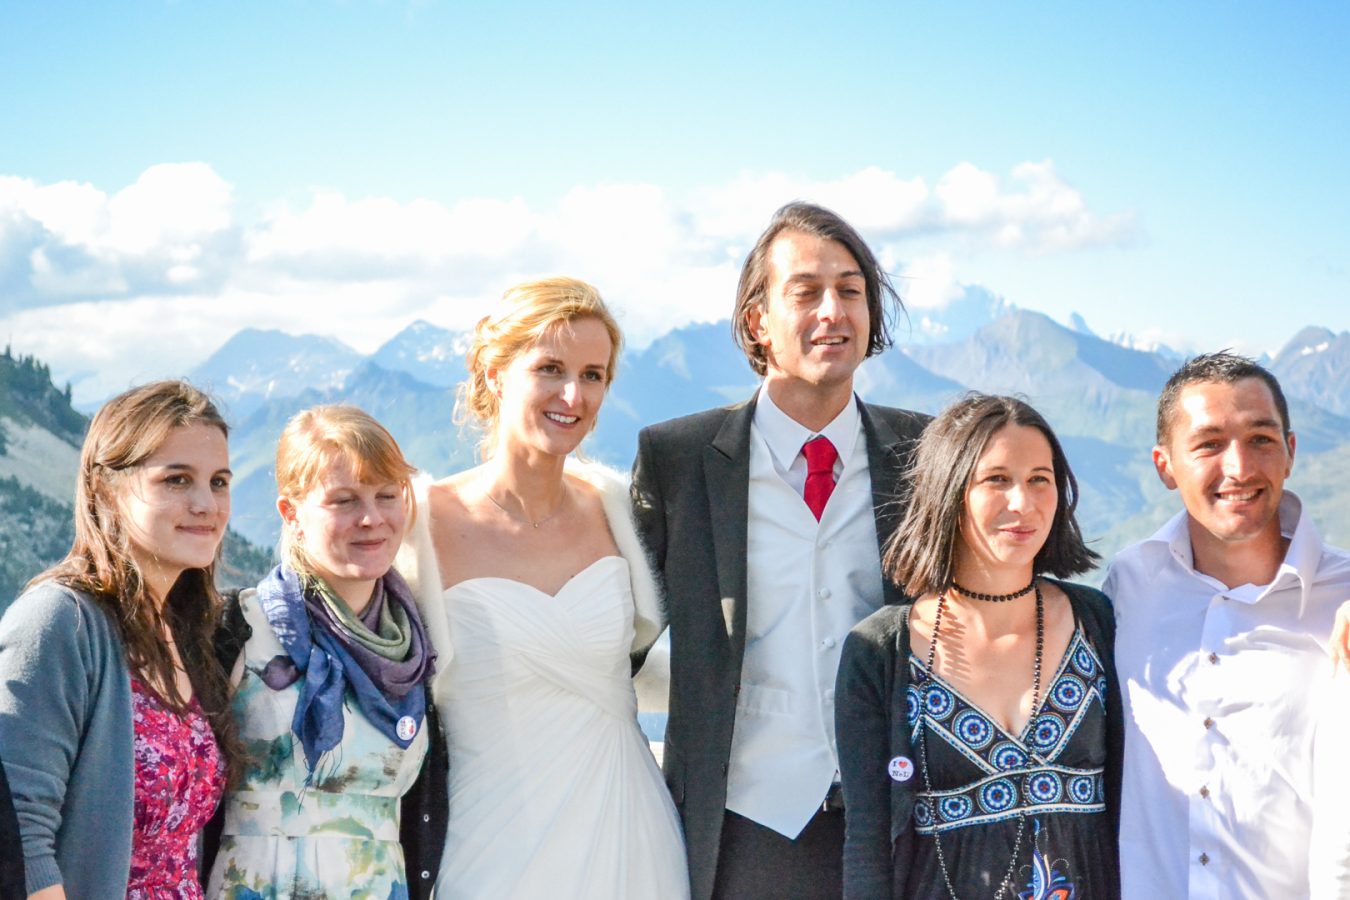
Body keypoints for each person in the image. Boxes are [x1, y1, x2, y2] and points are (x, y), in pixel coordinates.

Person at [631, 202, 929, 899]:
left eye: (851, 290)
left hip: (901, 822)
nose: (834, 310)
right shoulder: (679, 461)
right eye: (806, 292)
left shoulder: (925, 453)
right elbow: (621, 642)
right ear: (758, 319)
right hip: (746, 828)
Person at [396, 276, 688, 898]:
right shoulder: (420, 521)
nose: (572, 394)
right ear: (496, 372)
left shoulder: (614, 504)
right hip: (490, 843)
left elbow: (636, 664)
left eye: (593, 375)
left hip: (631, 833)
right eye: (550, 368)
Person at [835, 394, 1123, 899]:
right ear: (949, 491)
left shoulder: (1096, 622)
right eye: (997, 480)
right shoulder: (879, 651)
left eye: (1040, 479)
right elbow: (868, 842)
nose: (1024, 503)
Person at [1105, 351, 1350, 897]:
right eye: (1209, 444)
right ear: (1164, 466)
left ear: (1290, 453)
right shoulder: (1128, 588)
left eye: (1261, 439)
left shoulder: (1344, 598)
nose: (1239, 468)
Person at [0, 380, 235, 898]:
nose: (206, 503)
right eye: (177, 480)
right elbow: (19, 837)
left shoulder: (182, 630)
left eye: (219, 481)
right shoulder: (60, 622)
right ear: (108, 489)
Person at [206, 405, 447, 900]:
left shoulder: (422, 648)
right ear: (291, 513)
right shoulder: (235, 631)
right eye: (344, 501)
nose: (372, 518)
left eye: (386, 495)